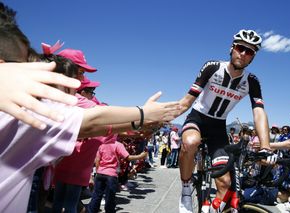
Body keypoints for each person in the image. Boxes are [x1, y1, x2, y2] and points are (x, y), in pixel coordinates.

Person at [0, 4, 181, 212]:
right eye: (77, 72)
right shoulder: (29, 112)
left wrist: (142, 121)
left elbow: (103, 125)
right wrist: (144, 114)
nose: (81, 80)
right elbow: (93, 121)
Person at [176, 29, 274, 212]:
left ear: (253, 57)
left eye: (250, 51)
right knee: (190, 142)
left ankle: (212, 209)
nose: (243, 54)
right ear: (232, 48)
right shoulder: (213, 67)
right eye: (240, 48)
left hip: (218, 127)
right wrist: (157, 118)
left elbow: (259, 112)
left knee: (225, 183)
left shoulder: (251, 81)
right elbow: (185, 102)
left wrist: (266, 146)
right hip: (198, 118)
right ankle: (186, 188)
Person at [87, 141, 148, 213]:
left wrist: (98, 172)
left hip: (100, 173)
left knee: (96, 196)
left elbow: (97, 160)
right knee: (110, 198)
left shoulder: (102, 144)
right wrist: (141, 156)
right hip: (111, 175)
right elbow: (128, 157)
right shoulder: (118, 145)